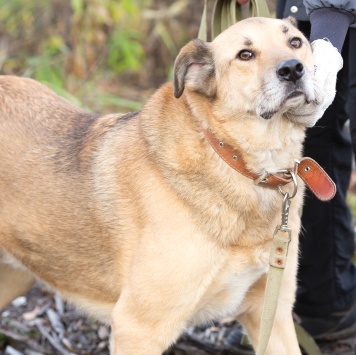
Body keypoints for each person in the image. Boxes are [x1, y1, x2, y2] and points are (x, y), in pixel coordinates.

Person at [223, 0, 356, 352]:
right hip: (306, 14)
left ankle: (327, 305)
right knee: (313, 143)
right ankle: (317, 305)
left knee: (316, 133)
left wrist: (330, 22)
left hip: (330, 14)